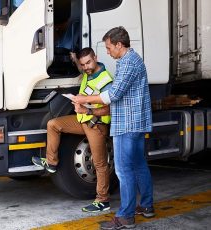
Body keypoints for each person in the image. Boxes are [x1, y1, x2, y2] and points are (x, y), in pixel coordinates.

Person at [72, 27, 155, 229]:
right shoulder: (130, 61)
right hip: (133, 123)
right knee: (138, 165)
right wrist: (89, 108)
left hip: (127, 124)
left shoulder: (128, 63)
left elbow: (112, 95)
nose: (107, 52)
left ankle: (126, 216)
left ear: (119, 44)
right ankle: (146, 206)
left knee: (124, 170)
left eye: (109, 47)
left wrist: (83, 99)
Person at [32, 47, 114, 212]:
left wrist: (87, 110)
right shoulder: (87, 72)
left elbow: (109, 109)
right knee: (53, 124)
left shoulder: (106, 80)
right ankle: (52, 163)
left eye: (88, 63)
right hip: (82, 120)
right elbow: (80, 67)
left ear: (96, 58)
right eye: (83, 64)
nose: (85, 67)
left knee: (99, 163)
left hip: (96, 125)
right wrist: (75, 59)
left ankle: (103, 200)